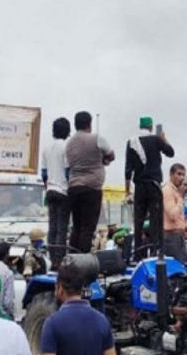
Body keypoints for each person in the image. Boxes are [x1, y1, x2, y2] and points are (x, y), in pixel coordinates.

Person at [126, 116, 175, 260]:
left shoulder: (131, 142)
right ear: (151, 126)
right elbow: (170, 153)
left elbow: (128, 170)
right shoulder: (156, 139)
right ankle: (155, 253)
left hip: (139, 187)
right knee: (155, 221)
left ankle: (138, 255)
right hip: (154, 185)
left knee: (138, 222)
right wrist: (164, 139)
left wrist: (127, 191)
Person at [66, 112, 115, 253]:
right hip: (91, 188)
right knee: (88, 228)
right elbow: (111, 155)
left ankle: (73, 257)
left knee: (76, 226)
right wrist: (103, 160)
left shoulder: (69, 143)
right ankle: (83, 260)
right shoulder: (97, 139)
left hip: (74, 187)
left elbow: (69, 164)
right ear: (89, 123)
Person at [42, 117, 71, 268]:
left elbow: (44, 173)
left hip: (50, 190)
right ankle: (59, 261)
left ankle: (52, 258)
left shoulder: (46, 148)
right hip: (63, 191)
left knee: (52, 227)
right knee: (62, 228)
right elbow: (68, 171)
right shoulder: (66, 146)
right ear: (67, 130)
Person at [162, 163, 187, 264]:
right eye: (179, 174)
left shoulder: (176, 192)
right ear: (171, 175)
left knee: (183, 266)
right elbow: (172, 215)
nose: (182, 177)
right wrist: (181, 197)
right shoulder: (168, 191)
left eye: (183, 175)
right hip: (171, 237)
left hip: (178, 235)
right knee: (177, 269)